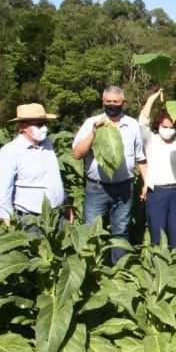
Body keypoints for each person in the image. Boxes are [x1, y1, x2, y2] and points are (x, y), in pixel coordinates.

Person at [73, 86, 147, 264]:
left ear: (123, 103)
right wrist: (93, 133)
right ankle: (91, 270)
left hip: (124, 187)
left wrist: (146, 183)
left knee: (121, 231)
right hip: (97, 187)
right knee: (90, 232)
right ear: (103, 102)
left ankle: (118, 273)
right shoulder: (92, 122)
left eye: (116, 102)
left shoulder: (132, 125)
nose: (112, 105)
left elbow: (141, 158)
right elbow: (77, 153)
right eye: (108, 102)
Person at [0, 103, 68, 230]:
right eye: (38, 125)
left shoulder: (48, 144)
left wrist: (66, 204)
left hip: (57, 216)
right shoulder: (10, 151)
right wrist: (6, 220)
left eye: (45, 124)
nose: (44, 128)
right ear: (23, 126)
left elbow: (54, 178)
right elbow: (2, 188)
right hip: (32, 221)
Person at [138, 89, 176, 248]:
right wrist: (151, 98)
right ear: (158, 125)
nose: (168, 129)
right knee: (157, 237)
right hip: (157, 192)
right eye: (165, 126)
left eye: (171, 127)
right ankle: (157, 268)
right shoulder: (151, 140)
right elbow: (142, 122)